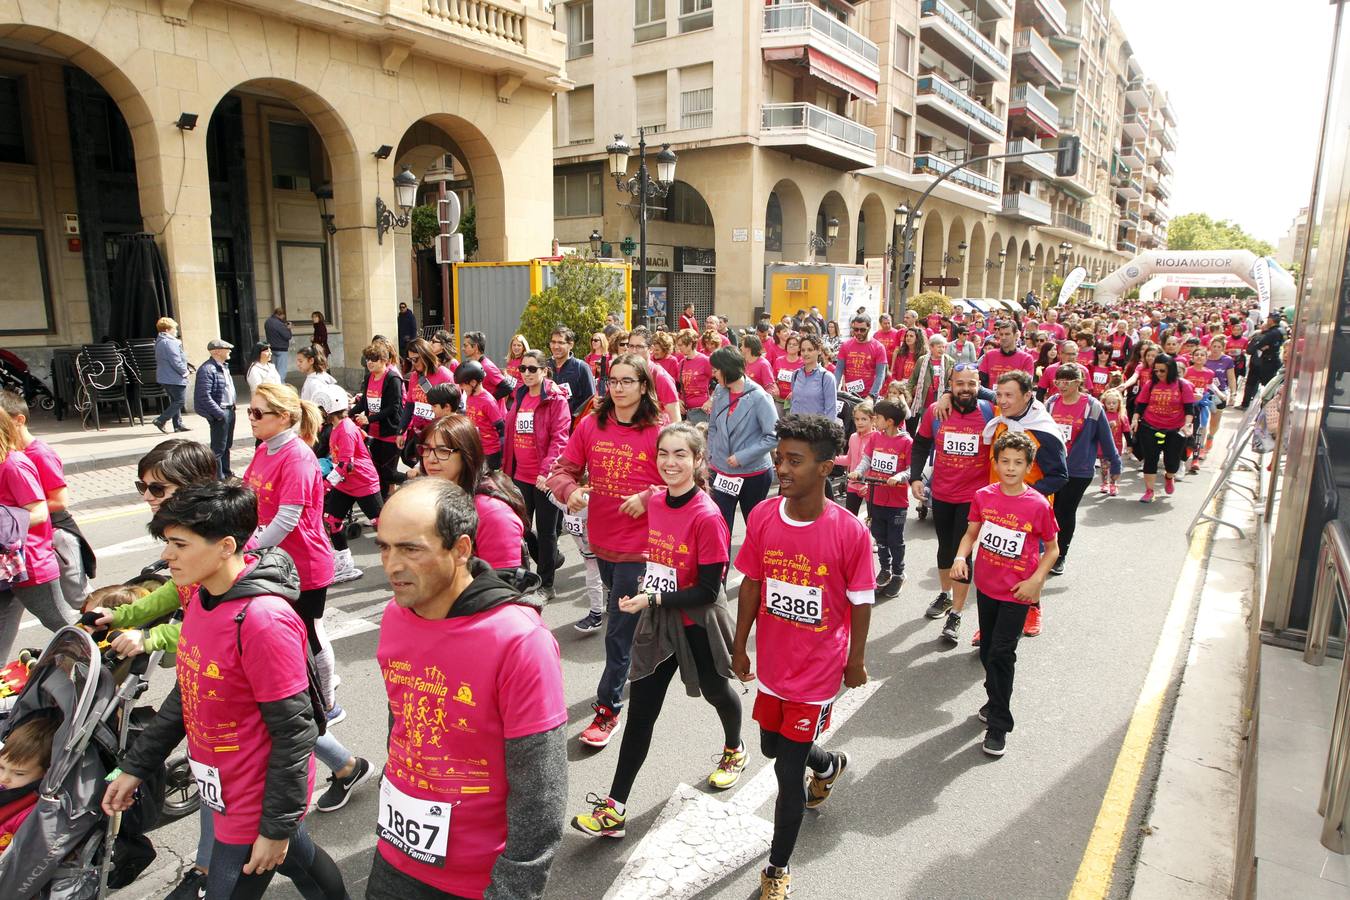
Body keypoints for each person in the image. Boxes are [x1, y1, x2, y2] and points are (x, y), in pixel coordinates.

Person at [102, 482, 348, 900]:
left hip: (254, 799)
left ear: (225, 546)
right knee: (301, 858)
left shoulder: (262, 621)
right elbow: (186, 696)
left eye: (179, 544)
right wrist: (135, 768)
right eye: (166, 543)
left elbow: (294, 733)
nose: (167, 556)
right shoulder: (202, 599)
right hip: (223, 785)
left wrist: (273, 826)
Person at [368, 477, 565, 899]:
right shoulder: (394, 615)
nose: (391, 565)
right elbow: (400, 719)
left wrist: (513, 888)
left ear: (460, 549)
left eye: (410, 548)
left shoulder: (519, 641)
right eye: (384, 546)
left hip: (475, 880)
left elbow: (540, 790)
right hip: (393, 857)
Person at [572, 423, 744, 839]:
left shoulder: (707, 516)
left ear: (698, 460)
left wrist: (654, 599)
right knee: (642, 711)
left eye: (680, 455)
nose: (670, 462)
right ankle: (614, 809)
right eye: (664, 454)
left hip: (698, 620)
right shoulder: (657, 503)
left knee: (715, 690)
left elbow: (708, 589)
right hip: (658, 618)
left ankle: (735, 749)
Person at [732, 414, 873, 900]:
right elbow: (752, 581)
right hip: (773, 663)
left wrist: (855, 661)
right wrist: (739, 644)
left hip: (818, 671)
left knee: (785, 772)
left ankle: (777, 869)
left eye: (795, 461)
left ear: (827, 468)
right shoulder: (764, 516)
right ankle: (828, 763)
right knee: (772, 746)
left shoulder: (850, 531)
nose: (782, 469)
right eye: (779, 459)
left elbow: (860, 601)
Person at [548, 354, 664, 748]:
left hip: (641, 550)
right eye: (613, 380)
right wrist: (572, 491)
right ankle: (650, 659)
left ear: (644, 385)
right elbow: (561, 471)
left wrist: (649, 497)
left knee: (617, 632)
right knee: (629, 627)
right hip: (603, 544)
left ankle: (608, 709)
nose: (617, 387)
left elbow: (688, 480)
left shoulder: (659, 431)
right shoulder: (591, 426)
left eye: (627, 381)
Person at [951, 431, 1059, 757]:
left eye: (1018, 463)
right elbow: (971, 533)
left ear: (1029, 467)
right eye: (1005, 461)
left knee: (1001, 653)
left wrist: (1036, 581)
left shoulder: (1037, 504)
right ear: (995, 463)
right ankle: (993, 697)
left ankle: (999, 723)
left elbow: (1052, 549)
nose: (1010, 468)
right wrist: (960, 557)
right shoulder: (984, 496)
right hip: (986, 587)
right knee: (987, 652)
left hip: (1017, 592)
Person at [242, 383, 339, 718]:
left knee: (309, 632)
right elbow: (247, 496)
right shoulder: (264, 448)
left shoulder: (297, 456)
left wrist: (249, 547)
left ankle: (327, 702)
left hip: (304, 562)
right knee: (289, 634)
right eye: (249, 412)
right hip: (274, 559)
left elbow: (287, 517)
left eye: (258, 413)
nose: (251, 419)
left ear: (283, 418)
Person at [909, 364, 993, 642]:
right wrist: (915, 478)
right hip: (942, 494)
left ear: (979, 384)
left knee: (962, 553)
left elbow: (1015, 400)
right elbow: (920, 444)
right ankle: (945, 596)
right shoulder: (937, 412)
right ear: (950, 384)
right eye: (959, 384)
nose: (966, 389)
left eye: (972, 383)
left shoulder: (991, 412)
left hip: (974, 499)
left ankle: (956, 613)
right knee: (945, 549)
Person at [0, 393, 92, 610]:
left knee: (79, 601)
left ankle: (105, 638)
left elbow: (59, 501)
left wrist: (11, 519)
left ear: (18, 420)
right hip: (30, 539)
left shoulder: (39, 454)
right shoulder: (11, 455)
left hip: (58, 533)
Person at [0, 407, 73, 663]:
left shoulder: (14, 464)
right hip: (6, 567)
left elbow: (41, 511)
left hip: (29, 563)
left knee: (67, 627)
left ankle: (108, 668)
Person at [419, 414, 527, 570]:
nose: (430, 459)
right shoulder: (431, 495)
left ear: (466, 454)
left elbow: (502, 587)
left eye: (443, 451)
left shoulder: (491, 512)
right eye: (427, 449)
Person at [503, 349, 570, 598]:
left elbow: (560, 439)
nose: (527, 374)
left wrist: (546, 472)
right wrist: (506, 469)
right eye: (523, 369)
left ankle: (546, 583)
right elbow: (511, 435)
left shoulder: (555, 399)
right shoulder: (519, 395)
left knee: (546, 530)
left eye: (533, 369)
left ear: (544, 370)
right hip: (520, 474)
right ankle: (549, 558)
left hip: (544, 478)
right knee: (520, 526)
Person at [1044, 364, 1121, 576]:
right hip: (1052, 467)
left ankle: (1060, 555)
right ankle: (1047, 549)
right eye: (1058, 381)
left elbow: (1106, 437)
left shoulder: (1092, 407)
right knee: (1048, 510)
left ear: (1079, 382)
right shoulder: (1051, 403)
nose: (1061, 385)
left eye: (1067, 381)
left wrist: (1115, 463)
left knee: (1065, 511)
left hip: (1078, 470)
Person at [706, 346, 779, 534]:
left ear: (727, 369)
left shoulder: (759, 396)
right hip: (721, 471)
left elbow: (773, 435)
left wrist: (742, 456)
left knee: (755, 527)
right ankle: (722, 564)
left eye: (716, 370)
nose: (713, 375)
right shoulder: (721, 392)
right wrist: (712, 454)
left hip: (753, 474)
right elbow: (713, 426)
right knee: (720, 528)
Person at [314, 387, 382, 585]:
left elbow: (346, 464)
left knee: (382, 525)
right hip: (346, 484)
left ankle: (406, 561)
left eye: (320, 409)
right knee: (332, 519)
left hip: (363, 482)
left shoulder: (345, 429)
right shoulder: (338, 427)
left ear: (328, 409)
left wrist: (326, 485)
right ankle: (344, 565)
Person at [848, 399, 913, 598]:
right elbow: (866, 459)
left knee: (895, 539)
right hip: (875, 497)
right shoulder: (875, 437)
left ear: (890, 421)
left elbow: (912, 469)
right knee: (879, 536)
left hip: (896, 502)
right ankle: (885, 569)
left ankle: (898, 573)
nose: (875, 420)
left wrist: (899, 477)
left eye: (878, 417)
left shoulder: (906, 442)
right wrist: (858, 472)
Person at [1132, 353, 1196, 502]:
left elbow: (1189, 409)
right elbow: (1141, 405)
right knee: (1150, 459)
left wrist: (1187, 425)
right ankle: (1149, 491)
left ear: (1171, 370)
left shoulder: (1182, 385)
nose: (1159, 374)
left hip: (1174, 429)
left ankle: (1169, 477)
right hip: (1150, 426)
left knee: (1172, 462)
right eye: (1156, 371)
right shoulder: (1150, 384)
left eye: (1162, 371)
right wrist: (1135, 419)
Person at [351, 342, 405, 498]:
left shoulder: (393, 378)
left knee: (388, 473)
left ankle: (414, 480)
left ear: (383, 360)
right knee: (377, 471)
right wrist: (348, 413)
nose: (369, 362)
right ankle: (381, 508)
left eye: (373, 359)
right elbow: (364, 402)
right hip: (373, 433)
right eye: (367, 359)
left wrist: (369, 418)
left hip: (389, 432)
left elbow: (392, 408)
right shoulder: (369, 377)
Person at [0, 715, 59, 852]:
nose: (4, 778)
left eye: (19, 774)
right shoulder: (9, 786)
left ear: (45, 773)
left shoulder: (33, 814)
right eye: (1, 768)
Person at [398, 338, 455, 462]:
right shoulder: (414, 376)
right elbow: (409, 406)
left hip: (438, 434)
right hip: (420, 433)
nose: (413, 363)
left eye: (416, 359)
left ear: (425, 354)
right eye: (410, 359)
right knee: (408, 459)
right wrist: (401, 431)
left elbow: (455, 408)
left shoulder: (445, 375)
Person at [194, 339, 237, 477]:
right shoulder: (207, 369)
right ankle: (218, 477)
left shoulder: (223, 366)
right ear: (216, 351)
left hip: (229, 410)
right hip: (221, 411)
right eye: (226, 348)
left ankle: (226, 472)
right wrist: (219, 413)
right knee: (218, 448)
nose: (229, 351)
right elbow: (204, 396)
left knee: (227, 445)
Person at [455, 360, 506, 472]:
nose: (461, 388)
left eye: (463, 384)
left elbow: (501, 428)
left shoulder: (488, 401)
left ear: (473, 382)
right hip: (476, 448)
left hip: (491, 452)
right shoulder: (470, 396)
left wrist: (502, 457)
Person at [626, 326, 682, 422]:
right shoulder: (624, 372)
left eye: (639, 347)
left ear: (651, 349)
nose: (634, 351)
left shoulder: (660, 376)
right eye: (631, 346)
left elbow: (675, 419)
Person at [546, 327, 597, 419]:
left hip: (573, 426)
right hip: (548, 424)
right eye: (553, 342)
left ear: (571, 345)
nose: (556, 346)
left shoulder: (581, 367)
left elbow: (590, 401)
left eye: (561, 343)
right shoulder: (544, 367)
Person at [153, 316, 191, 434]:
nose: (176, 331)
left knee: (175, 400)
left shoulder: (161, 341)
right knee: (179, 401)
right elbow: (175, 360)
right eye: (174, 328)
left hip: (166, 377)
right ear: (167, 330)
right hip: (173, 377)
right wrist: (184, 371)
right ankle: (161, 420)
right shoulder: (169, 342)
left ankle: (178, 425)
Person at [835, 315, 888, 399]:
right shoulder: (845, 345)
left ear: (869, 327)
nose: (858, 332)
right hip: (848, 395)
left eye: (862, 330)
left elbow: (880, 375)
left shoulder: (879, 347)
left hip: (868, 396)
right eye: (856, 329)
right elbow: (838, 370)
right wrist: (834, 389)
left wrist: (871, 395)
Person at [787, 335, 837, 419]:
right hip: (796, 427)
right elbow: (793, 404)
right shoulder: (795, 375)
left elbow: (831, 412)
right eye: (803, 350)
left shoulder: (827, 378)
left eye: (810, 350)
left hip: (816, 429)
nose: (806, 353)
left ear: (819, 351)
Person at [977, 321, 1036, 387]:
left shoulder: (1026, 358)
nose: (1003, 337)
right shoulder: (989, 355)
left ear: (1016, 335)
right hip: (991, 395)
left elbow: (1026, 386)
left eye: (1007, 334)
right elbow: (981, 381)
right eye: (1001, 334)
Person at [676, 329, 714, 425]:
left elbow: (719, 382)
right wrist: (678, 400)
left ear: (689, 344)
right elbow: (678, 385)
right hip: (685, 412)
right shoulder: (681, 363)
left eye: (681, 345)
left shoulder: (705, 361)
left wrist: (711, 400)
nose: (678, 347)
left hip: (701, 411)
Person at [461, 330, 508, 398]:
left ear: (475, 347)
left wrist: (489, 400)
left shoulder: (487, 367)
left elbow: (507, 387)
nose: (462, 348)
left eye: (465, 345)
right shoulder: (475, 365)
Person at [264, 307, 293, 378]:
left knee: (274, 369)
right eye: (283, 316)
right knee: (281, 370)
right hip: (281, 349)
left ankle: (274, 384)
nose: (283, 318)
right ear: (280, 314)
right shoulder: (279, 324)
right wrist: (288, 329)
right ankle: (280, 385)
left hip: (272, 348)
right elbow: (288, 336)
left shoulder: (267, 321)